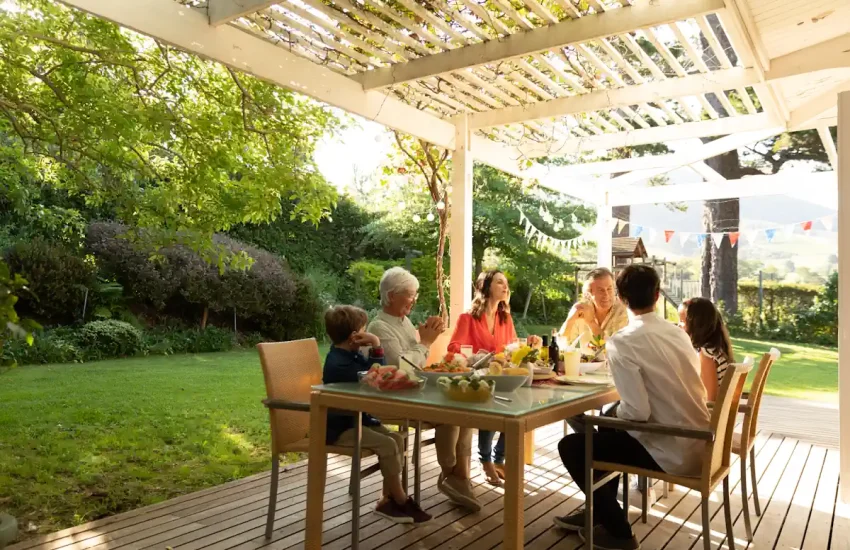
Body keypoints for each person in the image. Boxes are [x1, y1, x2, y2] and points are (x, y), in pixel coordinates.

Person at [554, 265, 710, 550]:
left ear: (622, 299)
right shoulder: (678, 333)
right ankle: (600, 513)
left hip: (670, 450)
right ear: (657, 295)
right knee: (606, 426)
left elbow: (637, 413)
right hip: (700, 443)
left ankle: (619, 532)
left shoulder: (623, 342)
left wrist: (615, 413)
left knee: (572, 446)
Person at [368, 267, 481, 511]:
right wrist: (426, 342)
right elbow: (402, 368)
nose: (414, 300)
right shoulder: (379, 327)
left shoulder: (405, 322)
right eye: (410, 295)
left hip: (413, 392)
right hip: (392, 398)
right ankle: (450, 472)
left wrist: (426, 338)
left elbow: (416, 365)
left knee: (464, 404)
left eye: (415, 294)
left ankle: (460, 473)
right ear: (391, 296)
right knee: (449, 409)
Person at [322, 305, 431, 524]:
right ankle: (401, 500)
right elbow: (378, 377)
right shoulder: (339, 364)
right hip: (340, 429)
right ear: (354, 337)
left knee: (396, 439)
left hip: (358, 421)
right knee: (388, 444)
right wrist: (376, 344)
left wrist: (376, 347)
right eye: (364, 330)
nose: (366, 333)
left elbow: (378, 370)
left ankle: (387, 499)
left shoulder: (350, 355)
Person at [447, 270, 517, 486]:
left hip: (500, 374)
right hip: (476, 378)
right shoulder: (467, 318)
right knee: (491, 399)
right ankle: (485, 460)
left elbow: (513, 346)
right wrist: (479, 356)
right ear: (486, 287)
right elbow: (454, 347)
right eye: (499, 282)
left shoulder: (505, 318)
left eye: (506, 283)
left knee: (517, 404)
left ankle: (499, 458)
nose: (505, 286)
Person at [559, 267, 629, 350]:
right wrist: (570, 320)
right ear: (588, 294)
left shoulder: (625, 311)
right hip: (585, 359)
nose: (606, 295)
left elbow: (614, 349)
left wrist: (591, 322)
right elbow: (561, 344)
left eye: (609, 289)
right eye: (600, 290)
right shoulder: (581, 309)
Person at [681, 298, 735, 401]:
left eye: (682, 321)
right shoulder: (717, 350)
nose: (679, 325)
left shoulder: (706, 355)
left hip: (707, 411)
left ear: (697, 325)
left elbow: (710, 400)